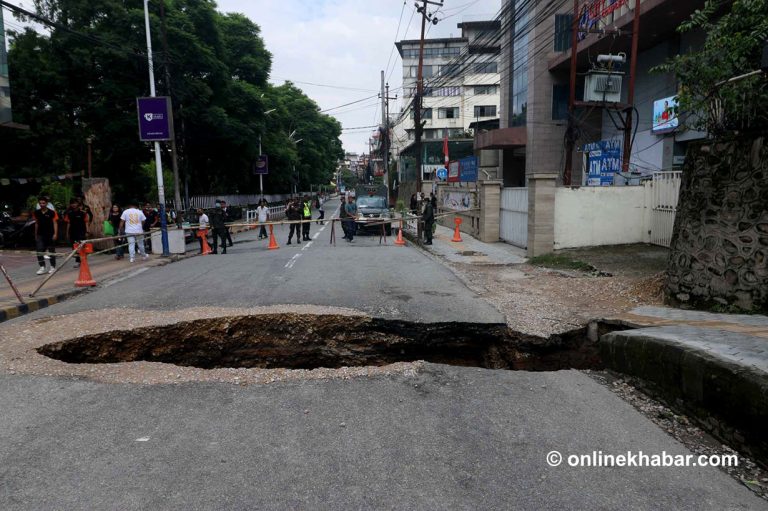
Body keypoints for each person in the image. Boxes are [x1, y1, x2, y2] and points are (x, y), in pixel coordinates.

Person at [33, 196, 58, 275]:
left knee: (51, 251)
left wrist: (55, 234)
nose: (42, 204)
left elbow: (55, 223)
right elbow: (36, 223)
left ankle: (52, 266)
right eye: (40, 203)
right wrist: (36, 234)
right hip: (40, 234)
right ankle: (42, 267)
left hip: (50, 234)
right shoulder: (36, 212)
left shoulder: (52, 212)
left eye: (43, 203)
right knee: (39, 250)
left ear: (47, 203)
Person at [64, 199, 89, 267]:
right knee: (75, 248)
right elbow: (68, 224)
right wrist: (67, 233)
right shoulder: (69, 214)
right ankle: (78, 261)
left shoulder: (83, 213)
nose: (74, 205)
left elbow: (86, 223)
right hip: (72, 232)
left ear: (78, 204)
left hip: (81, 232)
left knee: (81, 246)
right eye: (72, 203)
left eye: (75, 203)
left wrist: (87, 231)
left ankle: (83, 260)